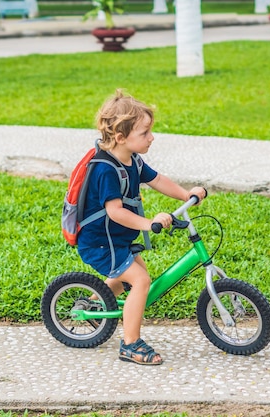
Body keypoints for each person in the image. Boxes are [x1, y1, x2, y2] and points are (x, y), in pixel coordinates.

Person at [77, 89, 207, 366]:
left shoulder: (132, 159)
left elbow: (157, 180)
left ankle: (92, 304)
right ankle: (130, 344)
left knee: (135, 277)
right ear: (121, 138)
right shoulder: (105, 169)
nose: (152, 137)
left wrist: (186, 195)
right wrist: (149, 223)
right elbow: (114, 212)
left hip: (116, 238)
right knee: (141, 281)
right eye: (145, 132)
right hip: (101, 242)